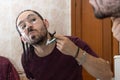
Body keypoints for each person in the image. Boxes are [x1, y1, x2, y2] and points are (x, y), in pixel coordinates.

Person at [15, 9, 112, 80]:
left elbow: (107, 75)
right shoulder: (26, 58)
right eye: (23, 26)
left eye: (32, 20)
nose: (28, 26)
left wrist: (76, 52)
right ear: (23, 39)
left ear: (46, 23)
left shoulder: (73, 43)